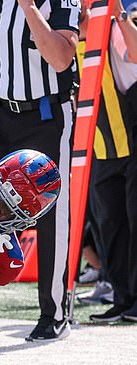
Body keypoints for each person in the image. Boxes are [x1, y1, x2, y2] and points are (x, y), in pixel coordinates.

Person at [0, 0, 79, 341]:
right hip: (0, 111)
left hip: (47, 114)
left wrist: (27, 6)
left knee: (52, 212)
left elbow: (61, 58)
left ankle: (54, 312)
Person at [77, 2, 137, 322]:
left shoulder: (116, 26)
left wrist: (120, 16)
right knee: (109, 224)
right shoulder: (67, 35)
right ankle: (122, 295)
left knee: (133, 218)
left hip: (130, 131)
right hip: (98, 141)